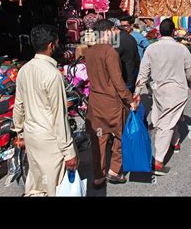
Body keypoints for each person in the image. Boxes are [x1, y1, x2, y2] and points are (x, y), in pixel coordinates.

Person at [13, 25, 78, 196]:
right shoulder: (53, 74)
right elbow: (58, 117)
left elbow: (18, 106)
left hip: (32, 136)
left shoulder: (24, 70)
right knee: (53, 188)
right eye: (57, 43)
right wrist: (69, 151)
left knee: (36, 185)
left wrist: (20, 134)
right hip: (50, 141)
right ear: (51, 45)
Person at [134, 19, 191, 175]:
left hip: (158, 90)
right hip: (177, 91)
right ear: (174, 31)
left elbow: (143, 73)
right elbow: (190, 71)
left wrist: (136, 92)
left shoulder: (151, 49)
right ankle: (158, 161)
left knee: (168, 117)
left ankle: (175, 142)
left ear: (159, 32)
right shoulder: (181, 49)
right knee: (166, 124)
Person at [85, 19, 137, 188]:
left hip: (95, 102)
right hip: (112, 104)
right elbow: (118, 82)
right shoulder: (110, 52)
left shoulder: (90, 52)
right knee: (121, 136)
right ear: (107, 32)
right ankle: (114, 170)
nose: (117, 33)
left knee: (99, 139)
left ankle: (98, 176)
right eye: (114, 30)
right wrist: (130, 100)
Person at [111, 18, 140, 92]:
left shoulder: (118, 40)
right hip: (131, 75)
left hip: (125, 78)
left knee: (127, 100)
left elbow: (113, 61)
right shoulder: (129, 37)